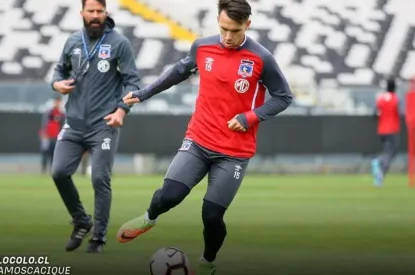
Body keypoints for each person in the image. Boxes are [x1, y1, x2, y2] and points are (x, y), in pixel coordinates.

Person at [116, 0, 293, 273]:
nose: (227, 36)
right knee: (169, 196)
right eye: (223, 28)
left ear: (247, 24)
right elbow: (177, 73)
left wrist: (249, 117)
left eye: (234, 30)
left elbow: (283, 97)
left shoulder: (262, 59)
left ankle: (208, 262)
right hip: (199, 140)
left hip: (234, 152)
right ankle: (149, 218)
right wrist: (143, 93)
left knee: (211, 215)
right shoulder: (202, 47)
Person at [50, 0, 141, 253]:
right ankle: (81, 220)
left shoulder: (119, 43)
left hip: (104, 124)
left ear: (106, 13)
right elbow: (58, 72)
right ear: (82, 13)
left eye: (99, 11)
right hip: (74, 124)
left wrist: (122, 110)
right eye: (91, 11)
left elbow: (133, 82)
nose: (95, 16)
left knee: (100, 178)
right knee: (58, 172)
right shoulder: (72, 42)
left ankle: (98, 239)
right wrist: (57, 84)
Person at [371, 78, 404, 187]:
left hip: (382, 129)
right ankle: (379, 165)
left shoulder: (381, 98)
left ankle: (379, 163)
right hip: (393, 129)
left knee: (387, 151)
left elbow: (375, 114)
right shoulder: (395, 99)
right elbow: (400, 113)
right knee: (391, 153)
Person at [39, 96, 64, 174]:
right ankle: (43, 169)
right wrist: (44, 133)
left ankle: (52, 170)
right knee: (45, 153)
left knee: (53, 154)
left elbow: (62, 125)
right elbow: (44, 123)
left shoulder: (61, 113)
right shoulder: (49, 112)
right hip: (47, 136)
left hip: (56, 136)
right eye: (57, 101)